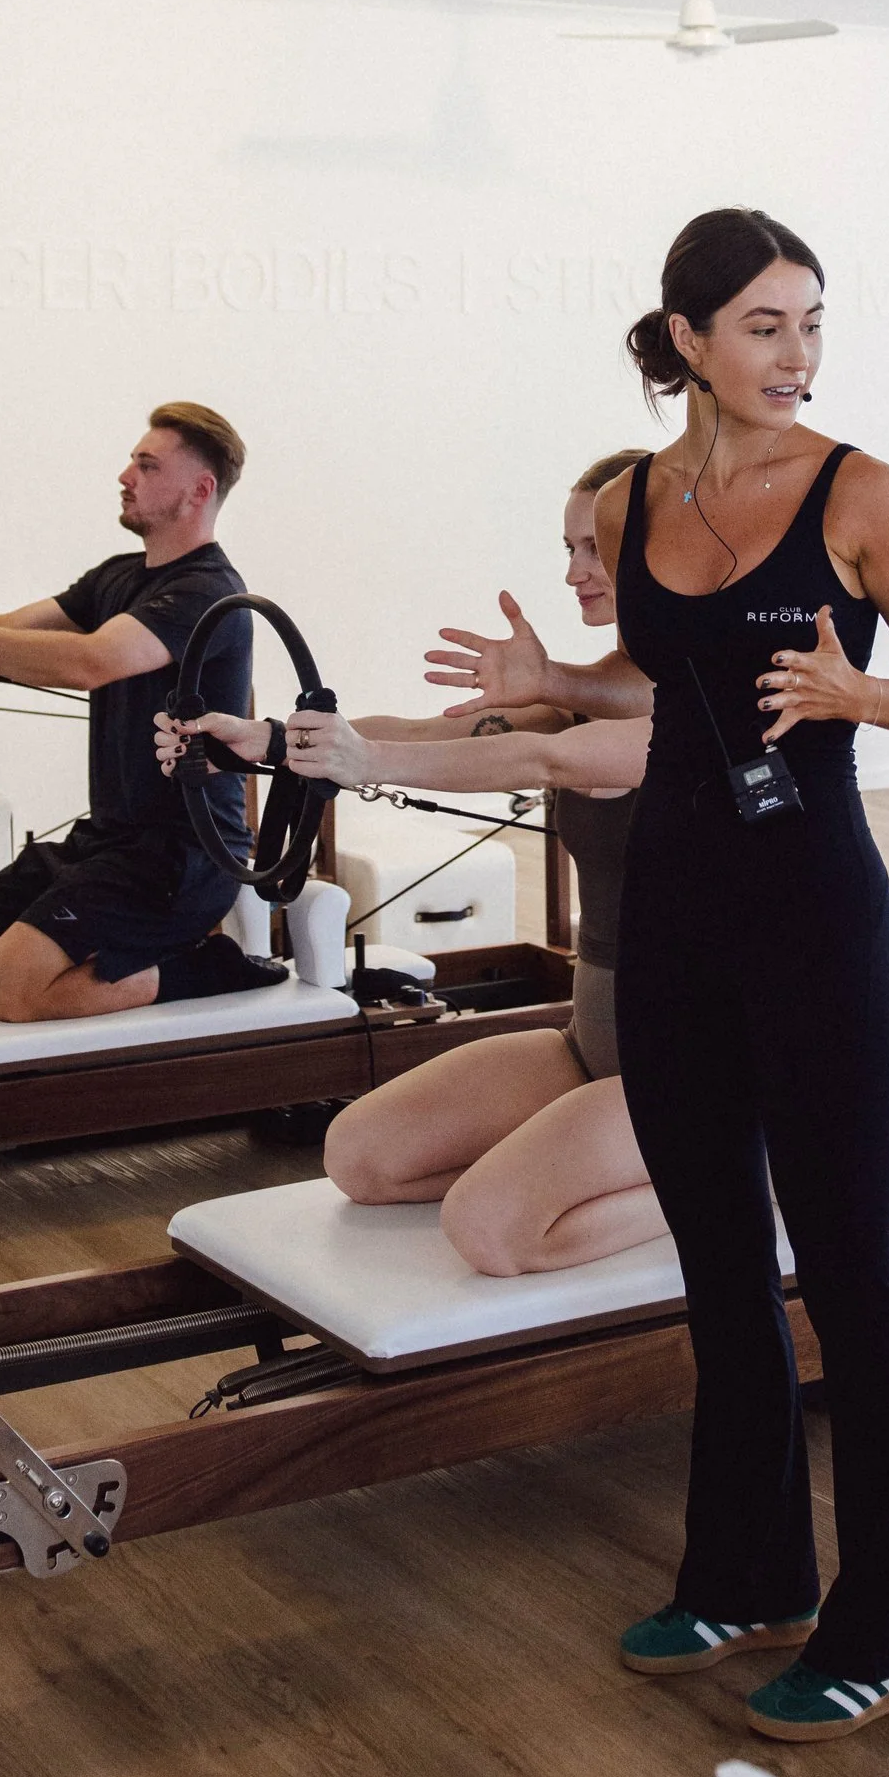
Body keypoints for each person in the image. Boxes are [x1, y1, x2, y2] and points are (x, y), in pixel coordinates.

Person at [430, 206, 889, 1746]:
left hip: (816, 916)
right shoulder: (634, 493)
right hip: (674, 912)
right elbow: (656, 682)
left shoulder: (863, 493)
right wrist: (552, 680)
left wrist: (852, 688)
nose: (795, 356)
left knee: (851, 1278)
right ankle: (748, 1574)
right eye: (762, 326)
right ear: (687, 339)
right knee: (721, 1268)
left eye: (810, 323)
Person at [167, 451, 660, 1276]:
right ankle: (604, 1159)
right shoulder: (585, 689)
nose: (574, 572)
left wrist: (366, 764)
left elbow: (546, 760)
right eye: (568, 548)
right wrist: (273, 745)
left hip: (694, 1069)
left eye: (595, 549)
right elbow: (436, 732)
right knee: (362, 1156)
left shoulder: (701, 698)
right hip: (594, 1041)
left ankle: (751, 1172)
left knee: (492, 1231)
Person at [0, 403, 265, 1023]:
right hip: (107, 840)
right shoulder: (118, 577)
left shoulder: (210, 592)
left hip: (180, 857)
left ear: (199, 490)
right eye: (132, 461)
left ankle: (203, 967)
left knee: (8, 989)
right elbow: (1, 629)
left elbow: (90, 662)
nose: (125, 475)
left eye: (147, 465)